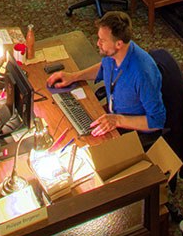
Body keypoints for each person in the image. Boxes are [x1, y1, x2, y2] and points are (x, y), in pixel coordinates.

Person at [47, 10, 164, 139]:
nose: (98, 43)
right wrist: (74, 76)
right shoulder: (113, 53)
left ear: (119, 44)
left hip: (133, 132)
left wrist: (117, 120)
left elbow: (157, 121)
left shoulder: (143, 73)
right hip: (113, 115)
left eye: (102, 40)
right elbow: (104, 68)